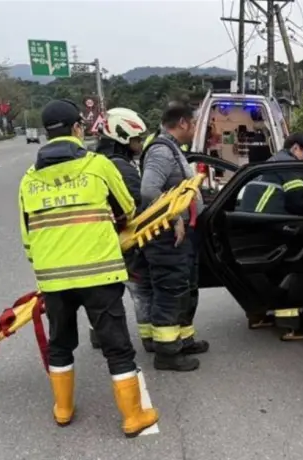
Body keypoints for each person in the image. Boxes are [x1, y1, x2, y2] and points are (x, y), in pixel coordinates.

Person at [18, 99, 158, 437]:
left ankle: (63, 409)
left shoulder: (28, 180)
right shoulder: (98, 165)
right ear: (78, 128)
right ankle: (132, 416)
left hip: (54, 279)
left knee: (60, 343)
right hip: (100, 273)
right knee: (116, 346)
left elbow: (26, 239)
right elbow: (126, 208)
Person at [139, 101, 207, 372]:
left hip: (181, 238)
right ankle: (167, 353)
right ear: (182, 123)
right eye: (193, 124)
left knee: (185, 289)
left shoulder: (173, 149)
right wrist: (174, 218)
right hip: (167, 238)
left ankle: (183, 340)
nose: (195, 129)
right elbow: (148, 190)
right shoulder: (161, 151)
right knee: (170, 292)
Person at [237, 133, 303, 341]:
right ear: (296, 148)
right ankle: (291, 325)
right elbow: (298, 201)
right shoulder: (290, 165)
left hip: (247, 225)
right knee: (294, 268)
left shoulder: (271, 163)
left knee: (260, 272)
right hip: (270, 226)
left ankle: (257, 315)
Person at [87, 108, 151, 352]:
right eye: (137, 139)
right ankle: (150, 336)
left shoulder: (96, 161)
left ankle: (98, 334)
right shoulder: (121, 167)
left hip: (100, 239)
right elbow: (137, 203)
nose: (140, 143)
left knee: (103, 292)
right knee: (141, 287)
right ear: (123, 137)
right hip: (125, 239)